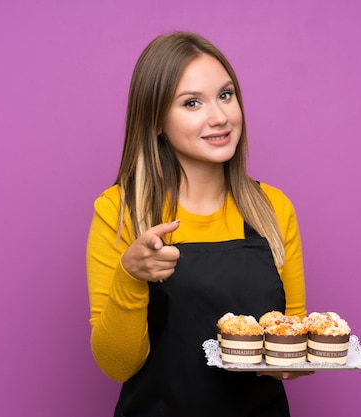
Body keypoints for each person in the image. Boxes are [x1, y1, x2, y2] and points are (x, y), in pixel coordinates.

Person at [86, 31, 310, 417]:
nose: (220, 116)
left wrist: (295, 360)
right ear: (155, 121)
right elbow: (116, 365)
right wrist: (131, 275)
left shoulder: (273, 208)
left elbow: (288, 351)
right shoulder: (120, 210)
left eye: (225, 95)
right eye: (192, 103)